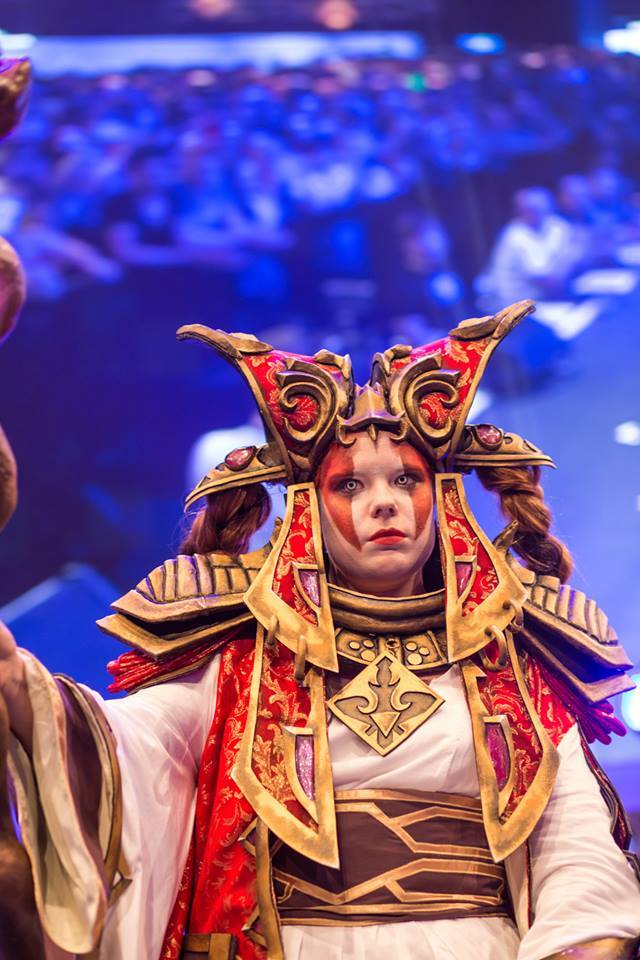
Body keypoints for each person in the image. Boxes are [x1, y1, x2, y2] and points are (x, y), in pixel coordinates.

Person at [1, 300, 640, 960]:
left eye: (406, 479)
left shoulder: (513, 664)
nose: (384, 502)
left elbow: (575, 845)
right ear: (309, 508)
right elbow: (126, 750)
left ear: (442, 498)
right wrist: (19, 686)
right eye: (351, 486)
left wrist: (585, 944)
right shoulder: (245, 662)